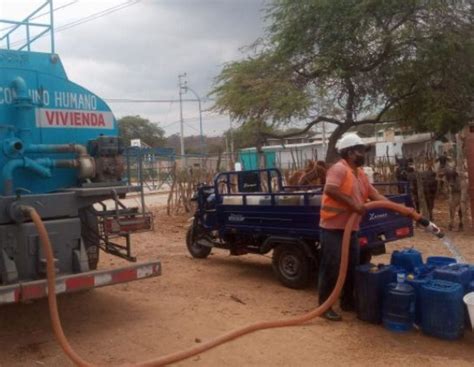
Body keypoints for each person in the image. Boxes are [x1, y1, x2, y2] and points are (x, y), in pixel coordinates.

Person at [318, 133, 388, 321]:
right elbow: (330, 190)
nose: (363, 154)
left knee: (351, 267)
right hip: (333, 229)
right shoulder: (338, 169)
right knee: (332, 268)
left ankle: (347, 302)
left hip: (352, 230)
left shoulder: (361, 174)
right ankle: (324, 306)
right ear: (349, 153)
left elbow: (374, 195)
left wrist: (398, 208)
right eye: (360, 151)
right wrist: (354, 205)